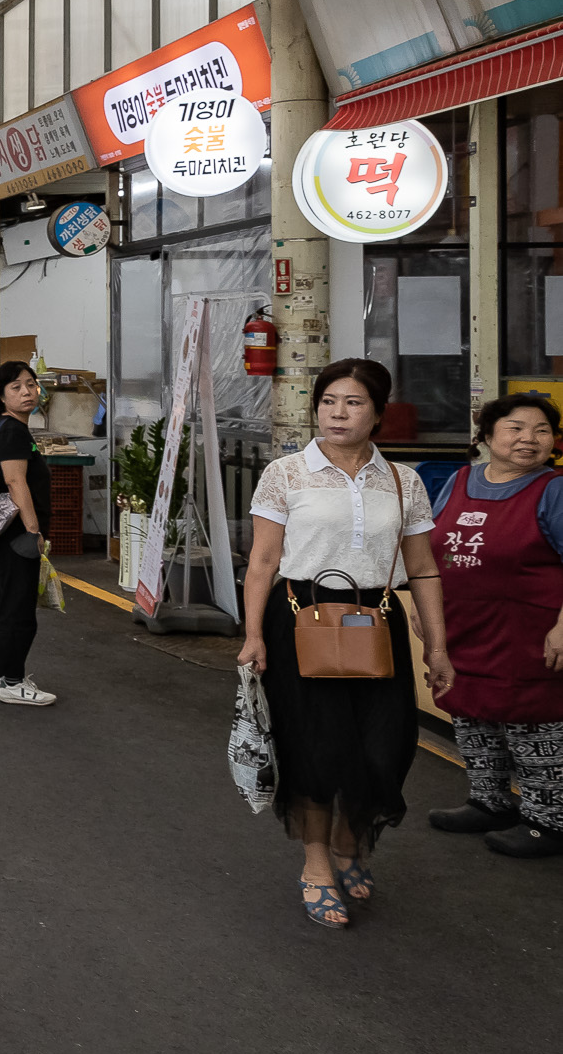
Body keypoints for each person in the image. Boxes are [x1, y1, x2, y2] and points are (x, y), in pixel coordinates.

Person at [239, 357, 449, 929]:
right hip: (299, 623)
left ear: (378, 412)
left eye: (354, 402)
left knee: (386, 750)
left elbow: (423, 567)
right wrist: (253, 634)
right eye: (329, 401)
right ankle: (317, 867)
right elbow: (262, 562)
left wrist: (437, 645)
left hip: (373, 627)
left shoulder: (403, 481)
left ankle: (349, 842)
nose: (338, 412)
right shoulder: (286, 474)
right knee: (314, 751)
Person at [424, 392, 563, 857]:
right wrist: (426, 611)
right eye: (516, 428)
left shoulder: (554, 489)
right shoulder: (460, 479)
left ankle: (549, 822)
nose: (530, 439)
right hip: (465, 624)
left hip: (529, 632)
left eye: (542, 430)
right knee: (470, 711)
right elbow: (429, 549)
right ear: (486, 435)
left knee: (532, 721)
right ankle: (489, 801)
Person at [0, 359, 57, 708]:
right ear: (2, 397)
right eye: (16, 387)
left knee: (5, 601)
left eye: (31, 385)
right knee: (19, 608)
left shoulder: (8, 427)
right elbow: (15, 481)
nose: (26, 392)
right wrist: (34, 531)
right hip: (17, 535)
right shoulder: (12, 431)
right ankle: (13, 681)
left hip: (5, 535)